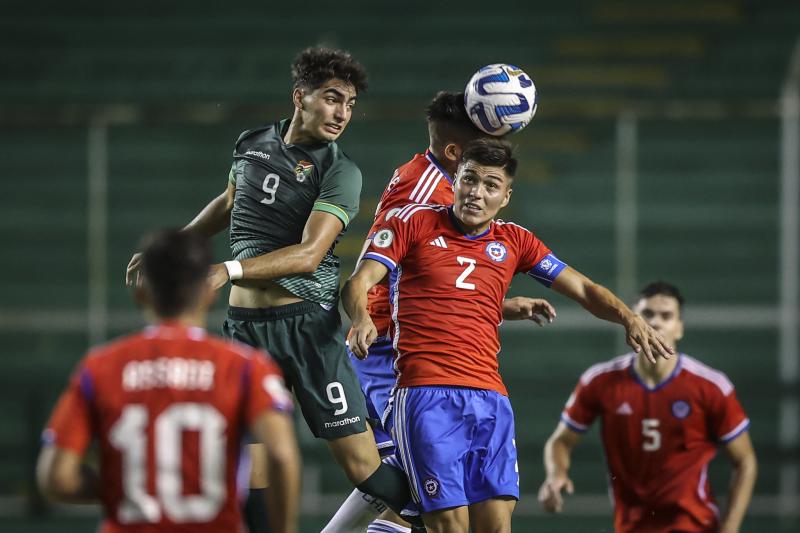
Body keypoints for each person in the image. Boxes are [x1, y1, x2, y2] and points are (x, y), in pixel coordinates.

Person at [124, 47, 419, 525]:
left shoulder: (340, 171)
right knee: (250, 465)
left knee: (363, 465)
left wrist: (227, 269)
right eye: (331, 99)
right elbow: (231, 199)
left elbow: (308, 255)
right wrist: (179, 242)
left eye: (349, 104)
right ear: (299, 97)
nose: (342, 113)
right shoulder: (251, 142)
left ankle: (437, 521)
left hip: (307, 329)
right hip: (246, 331)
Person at [343, 138, 673, 532]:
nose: (476, 193)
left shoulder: (514, 240)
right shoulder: (411, 221)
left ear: (506, 195)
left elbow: (583, 289)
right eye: (469, 179)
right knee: (449, 527)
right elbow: (359, 281)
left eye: (490, 185)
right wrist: (361, 317)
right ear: (457, 180)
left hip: (490, 399)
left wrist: (629, 318)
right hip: (425, 396)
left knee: (497, 527)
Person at [324, 91, 557, 533]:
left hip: (406, 338)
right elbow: (387, 268)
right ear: (455, 153)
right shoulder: (424, 192)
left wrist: (500, 305)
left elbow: (433, 272)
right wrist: (363, 319)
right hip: (393, 342)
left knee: (413, 483)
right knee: (418, 484)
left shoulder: (427, 173)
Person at [37, 229, 301, 532]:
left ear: (141, 294)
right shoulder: (246, 368)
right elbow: (280, 454)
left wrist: (128, 488)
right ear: (209, 293)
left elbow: (56, 477)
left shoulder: (100, 368)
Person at [538, 281, 757, 533]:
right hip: (630, 525)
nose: (656, 323)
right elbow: (561, 441)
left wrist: (730, 528)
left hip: (695, 524)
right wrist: (556, 475)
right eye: (647, 314)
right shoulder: (600, 381)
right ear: (632, 322)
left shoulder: (710, 386)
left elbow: (745, 461)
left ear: (680, 328)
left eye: (666, 316)